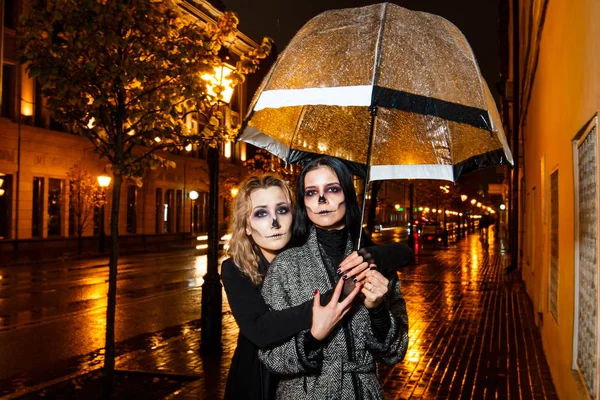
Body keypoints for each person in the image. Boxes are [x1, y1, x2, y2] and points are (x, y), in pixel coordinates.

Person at [221, 174, 389, 400]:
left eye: (282, 210)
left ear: (294, 214)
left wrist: (376, 254)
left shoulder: (310, 253)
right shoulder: (235, 268)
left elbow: (392, 252)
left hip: (309, 382)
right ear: (247, 227)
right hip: (257, 378)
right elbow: (260, 329)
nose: (274, 223)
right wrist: (337, 296)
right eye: (261, 213)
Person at [259, 157, 410, 399]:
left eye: (332, 189)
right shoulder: (286, 267)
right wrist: (313, 337)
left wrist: (378, 310)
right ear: (303, 203)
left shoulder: (376, 266)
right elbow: (270, 357)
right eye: (311, 192)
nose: (321, 200)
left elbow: (395, 352)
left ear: (347, 195)